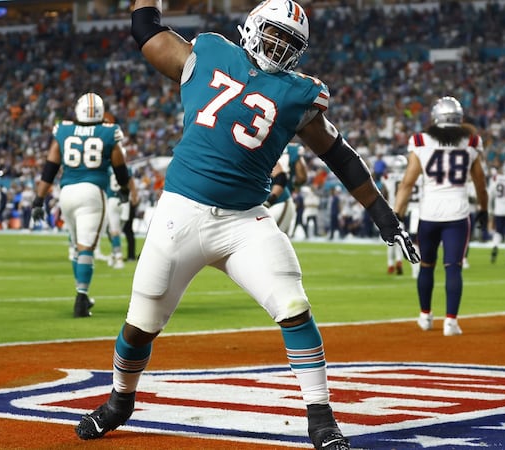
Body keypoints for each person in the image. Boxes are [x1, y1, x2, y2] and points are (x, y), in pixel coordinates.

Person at [73, 3, 418, 450]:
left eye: (290, 43)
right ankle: (120, 401)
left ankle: (321, 417)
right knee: (142, 321)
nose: (279, 47)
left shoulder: (299, 92)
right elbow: (145, 29)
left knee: (293, 303)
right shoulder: (210, 52)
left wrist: (383, 215)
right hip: (181, 213)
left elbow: (341, 157)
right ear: (253, 27)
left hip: (245, 222)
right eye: (274, 35)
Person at [32, 92, 132, 318]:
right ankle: (81, 298)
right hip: (93, 192)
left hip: (66, 193)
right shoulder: (109, 132)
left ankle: (82, 296)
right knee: (86, 247)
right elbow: (120, 168)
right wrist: (124, 190)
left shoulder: (63, 130)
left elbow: (49, 168)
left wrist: (39, 199)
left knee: (78, 246)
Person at [394, 96, 488, 336]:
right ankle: (451, 322)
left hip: (429, 212)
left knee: (426, 266)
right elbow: (480, 182)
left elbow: (407, 183)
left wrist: (395, 214)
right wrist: (484, 210)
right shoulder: (471, 141)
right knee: (453, 267)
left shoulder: (421, 141)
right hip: (457, 212)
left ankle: (425, 316)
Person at [267, 141, 308, 236]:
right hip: (281, 198)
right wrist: (294, 186)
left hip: (275, 198)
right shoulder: (293, 149)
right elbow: (302, 177)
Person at [105, 164, 138, 269]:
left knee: (114, 232)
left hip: (112, 200)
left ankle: (118, 258)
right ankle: (114, 254)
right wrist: (134, 196)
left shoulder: (107, 169)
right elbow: (131, 183)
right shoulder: (126, 168)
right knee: (118, 231)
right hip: (124, 202)